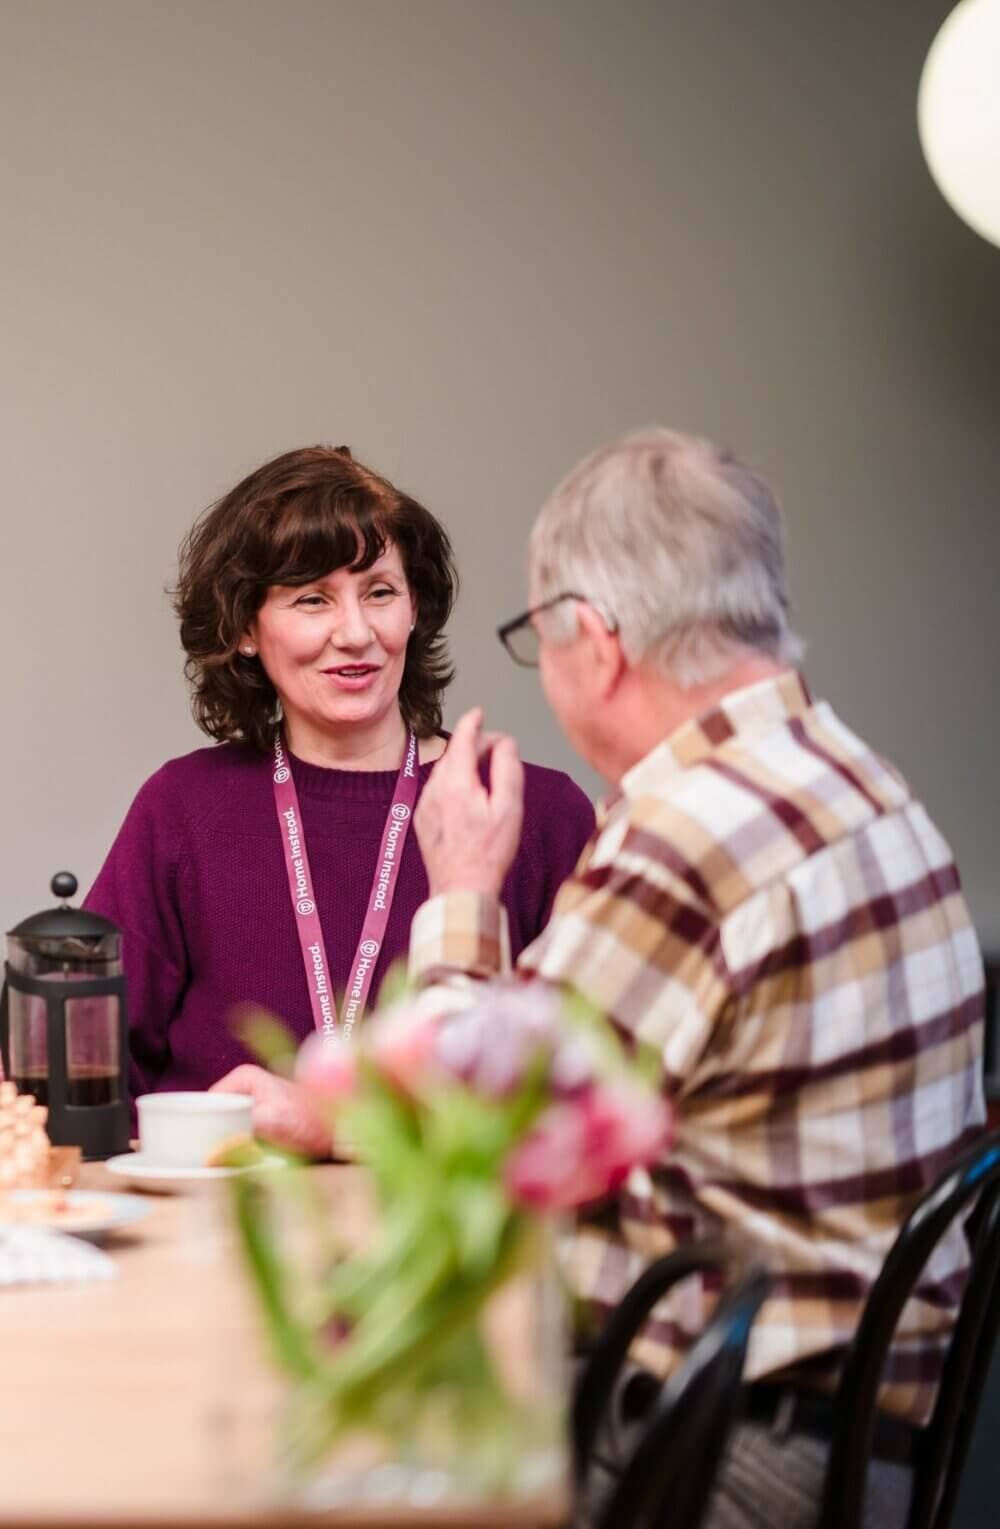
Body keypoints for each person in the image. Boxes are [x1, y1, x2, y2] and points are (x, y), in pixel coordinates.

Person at [402, 428, 985, 1528]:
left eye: (539, 634)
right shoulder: (859, 779)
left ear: (595, 638)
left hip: (726, 1453)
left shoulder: (689, 835)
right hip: (871, 1441)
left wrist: (463, 892)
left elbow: (463, 1150)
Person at [85, 445, 594, 1117]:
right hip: (216, 1219)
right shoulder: (182, 810)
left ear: (415, 607)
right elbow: (78, 1077)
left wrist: (326, 1122)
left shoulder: (528, 810)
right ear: (244, 628)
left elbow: (590, 1094)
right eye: (312, 599)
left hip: (449, 1222)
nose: (354, 632)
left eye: (380, 591)